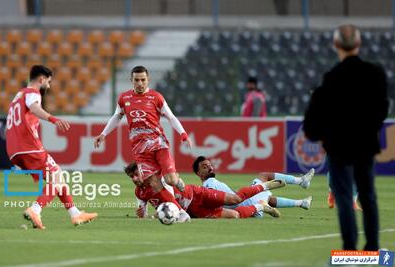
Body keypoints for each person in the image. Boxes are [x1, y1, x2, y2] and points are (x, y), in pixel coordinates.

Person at [303, 25, 388, 250]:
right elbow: (382, 108)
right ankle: (372, 248)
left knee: (343, 199)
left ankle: (350, 249)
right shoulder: (375, 73)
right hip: (365, 144)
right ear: (358, 44)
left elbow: (313, 122)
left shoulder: (331, 78)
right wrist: (370, 129)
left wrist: (323, 135)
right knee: (368, 196)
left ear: (336, 44)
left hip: (339, 147)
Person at [93, 65, 192, 220]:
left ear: (148, 80)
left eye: (143, 80)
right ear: (131, 80)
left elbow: (171, 117)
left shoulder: (156, 97)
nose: (140, 83)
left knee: (170, 180)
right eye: (137, 80)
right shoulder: (124, 98)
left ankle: (178, 180)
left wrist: (183, 134)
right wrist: (103, 134)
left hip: (159, 145)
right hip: (140, 150)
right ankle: (180, 213)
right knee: (153, 183)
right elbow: (116, 117)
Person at [5, 65, 98, 229]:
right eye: (48, 82)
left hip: (14, 150)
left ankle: (75, 214)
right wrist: (54, 119)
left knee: (57, 177)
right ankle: (35, 209)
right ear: (41, 79)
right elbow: (34, 108)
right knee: (57, 176)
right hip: (28, 146)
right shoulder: (32, 93)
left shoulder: (17, 96)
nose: (48, 86)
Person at [124, 162, 284, 219]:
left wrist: (179, 182)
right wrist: (143, 215)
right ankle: (261, 206)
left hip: (198, 195)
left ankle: (264, 186)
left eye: (136, 174)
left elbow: (174, 178)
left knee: (235, 199)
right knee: (235, 215)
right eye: (132, 177)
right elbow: (142, 214)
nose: (135, 179)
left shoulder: (158, 180)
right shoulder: (139, 193)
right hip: (194, 211)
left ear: (143, 171)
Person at [192, 156, 314, 217]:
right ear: (198, 173)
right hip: (246, 204)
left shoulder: (210, 183)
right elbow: (211, 199)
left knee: (268, 199)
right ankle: (301, 181)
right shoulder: (209, 183)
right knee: (264, 176)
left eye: (209, 165)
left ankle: (302, 203)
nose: (210, 168)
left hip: (247, 207)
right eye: (204, 167)